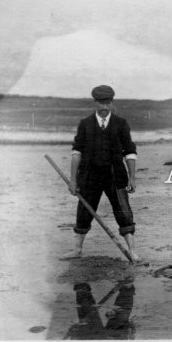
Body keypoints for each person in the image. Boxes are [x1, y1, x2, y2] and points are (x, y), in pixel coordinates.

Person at [61, 85, 142, 262]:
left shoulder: (121, 124)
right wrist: (73, 181)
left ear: (112, 103)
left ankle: (132, 252)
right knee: (84, 211)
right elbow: (77, 153)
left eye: (108, 103)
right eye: (101, 103)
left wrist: (132, 177)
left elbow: (129, 152)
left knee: (123, 211)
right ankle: (77, 249)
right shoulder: (85, 124)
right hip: (90, 176)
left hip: (115, 176)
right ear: (95, 103)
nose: (104, 107)